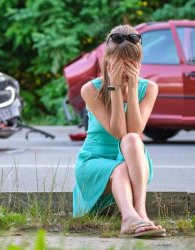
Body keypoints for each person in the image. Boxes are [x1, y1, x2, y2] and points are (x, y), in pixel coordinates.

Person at [72, 24, 166, 238]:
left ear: (139, 63)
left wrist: (132, 90)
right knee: (120, 168)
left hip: (135, 162)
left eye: (131, 63)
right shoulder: (91, 90)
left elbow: (132, 132)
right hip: (95, 161)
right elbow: (118, 133)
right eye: (119, 62)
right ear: (107, 60)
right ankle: (129, 218)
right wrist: (114, 89)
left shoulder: (148, 88)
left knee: (133, 140)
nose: (125, 68)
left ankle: (140, 212)